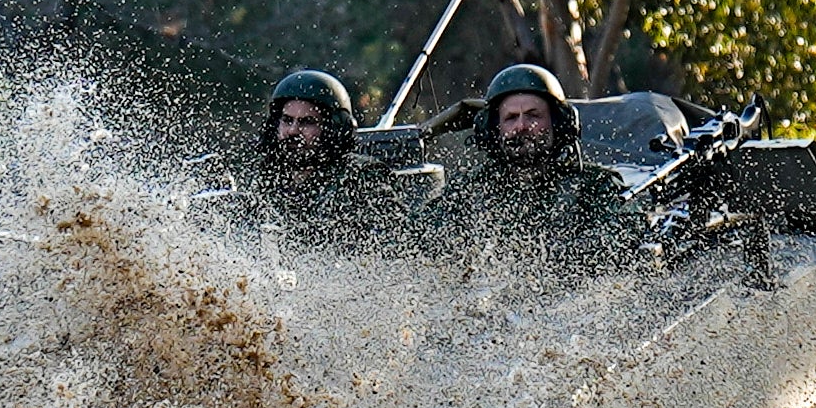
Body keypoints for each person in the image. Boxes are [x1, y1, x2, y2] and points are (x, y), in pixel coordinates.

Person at [416, 64, 629, 269]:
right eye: (510, 118)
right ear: (493, 129)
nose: (521, 126)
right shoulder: (470, 189)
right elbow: (419, 239)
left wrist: (566, 255)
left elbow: (622, 239)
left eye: (533, 116)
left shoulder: (594, 186)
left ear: (559, 123)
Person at [243, 69, 402, 250]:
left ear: (332, 129)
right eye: (287, 120)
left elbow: (395, 244)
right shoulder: (266, 176)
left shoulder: (361, 178)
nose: (293, 131)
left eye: (307, 122)